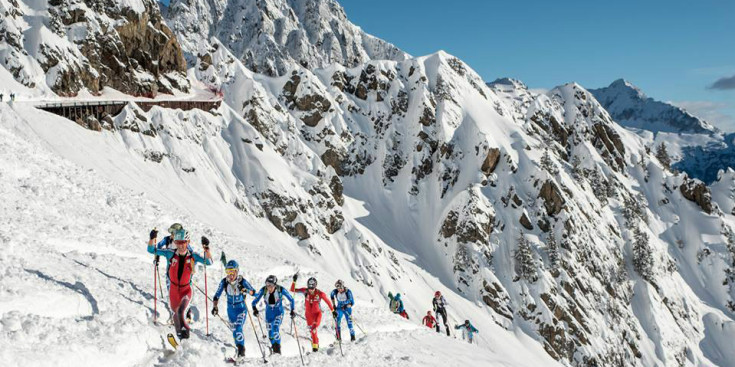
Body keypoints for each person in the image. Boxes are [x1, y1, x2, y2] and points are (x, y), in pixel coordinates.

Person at [147, 228, 212, 340]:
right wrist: (152, 238)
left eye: (183, 242)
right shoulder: (169, 253)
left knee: (181, 311)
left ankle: (186, 338)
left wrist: (206, 248)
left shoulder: (193, 256)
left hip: (186, 290)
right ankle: (180, 339)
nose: (181, 245)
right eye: (178, 242)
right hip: (173, 290)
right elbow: (151, 250)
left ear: (188, 242)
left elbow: (209, 262)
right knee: (175, 315)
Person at [212, 260, 256, 362]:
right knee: (235, 331)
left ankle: (242, 352)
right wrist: (215, 307)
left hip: (241, 309)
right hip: (230, 310)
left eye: (233, 271)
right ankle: (238, 349)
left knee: (238, 327)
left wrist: (246, 290)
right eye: (228, 271)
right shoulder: (224, 282)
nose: (230, 274)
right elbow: (216, 295)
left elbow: (254, 293)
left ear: (237, 271)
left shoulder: (242, 281)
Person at [290, 274, 335, 352]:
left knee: (314, 328)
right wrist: (294, 281)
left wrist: (333, 311)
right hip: (308, 315)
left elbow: (328, 302)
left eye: (312, 288)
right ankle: (315, 345)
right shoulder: (305, 290)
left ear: (315, 286)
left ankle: (315, 349)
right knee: (312, 331)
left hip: (317, 314)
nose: (310, 289)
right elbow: (292, 289)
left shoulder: (320, 294)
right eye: (309, 287)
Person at [251, 275, 295, 354]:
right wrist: (254, 309)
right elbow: (254, 301)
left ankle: (278, 349)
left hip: (278, 312)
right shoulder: (264, 290)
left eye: (270, 286)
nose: (269, 288)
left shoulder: (280, 289)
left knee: (275, 328)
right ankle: (274, 347)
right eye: (267, 285)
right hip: (269, 314)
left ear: (275, 285)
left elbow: (291, 299)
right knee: (270, 333)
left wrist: (292, 310)